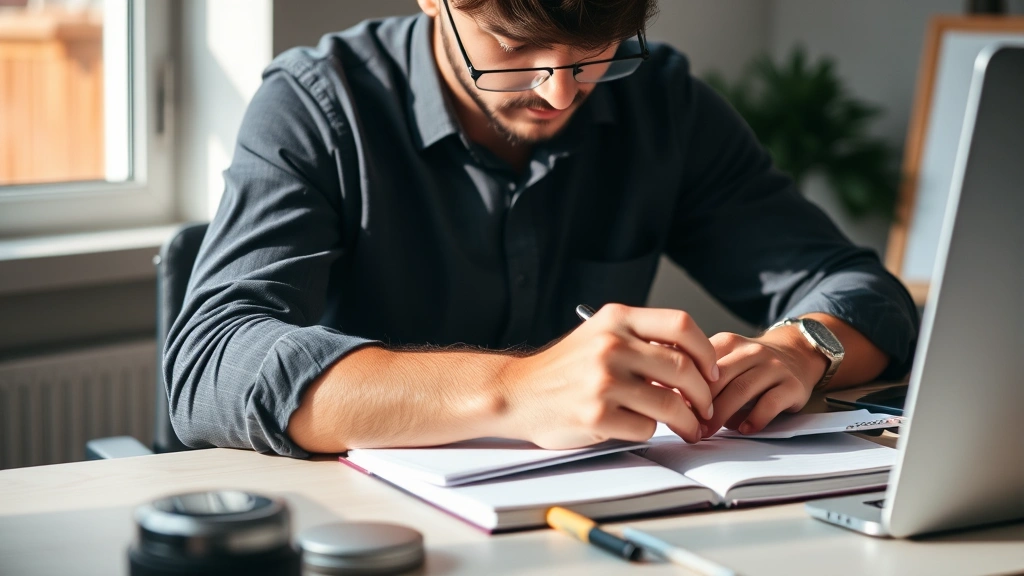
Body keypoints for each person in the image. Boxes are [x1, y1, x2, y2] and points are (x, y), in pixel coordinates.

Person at [164, 0, 918, 458]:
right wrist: (514, 390)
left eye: (593, 54)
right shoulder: (319, 106)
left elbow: (863, 290)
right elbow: (211, 363)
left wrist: (801, 348)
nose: (558, 91)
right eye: (514, 45)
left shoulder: (661, 105)